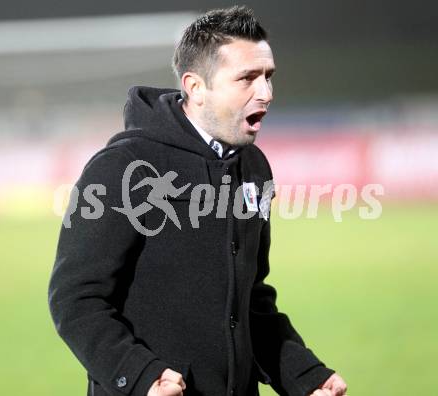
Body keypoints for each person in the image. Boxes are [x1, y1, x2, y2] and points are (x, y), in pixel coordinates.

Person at [48, 6, 347, 396]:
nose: (267, 93)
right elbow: (76, 299)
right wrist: (139, 375)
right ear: (196, 87)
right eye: (247, 78)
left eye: (269, 77)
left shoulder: (254, 168)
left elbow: (249, 300)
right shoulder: (123, 168)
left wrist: (304, 377)